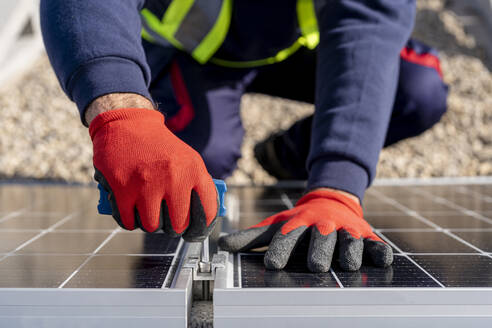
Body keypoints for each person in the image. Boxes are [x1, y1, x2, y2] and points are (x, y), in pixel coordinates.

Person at [40, 0, 448, 272]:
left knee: (417, 92)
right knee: (189, 179)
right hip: (194, 51)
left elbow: (368, 16)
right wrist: (121, 114)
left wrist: (336, 187)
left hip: (296, 49)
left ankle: (288, 158)